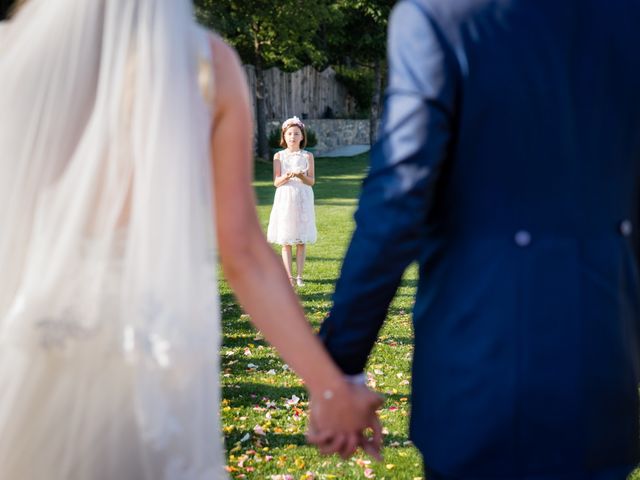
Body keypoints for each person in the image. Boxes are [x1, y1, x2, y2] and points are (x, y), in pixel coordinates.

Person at [0, 1, 382, 479]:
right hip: (152, 336)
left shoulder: (14, 57)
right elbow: (242, 253)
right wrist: (329, 387)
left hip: (28, 331)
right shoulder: (206, 66)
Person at [314, 0, 640, 478]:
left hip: (482, 373)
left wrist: (339, 367)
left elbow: (398, 198)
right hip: (604, 370)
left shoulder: (441, 15)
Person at [267, 116, 317, 287]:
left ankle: (300, 276)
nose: (293, 137)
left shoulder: (308, 156)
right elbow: (276, 182)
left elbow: (311, 181)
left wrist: (302, 176)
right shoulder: (279, 156)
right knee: (286, 239)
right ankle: (289, 277)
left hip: (302, 196)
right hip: (286, 197)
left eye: (296, 134)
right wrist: (286, 176)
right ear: (284, 136)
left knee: (301, 239)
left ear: (302, 137)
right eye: (289, 134)